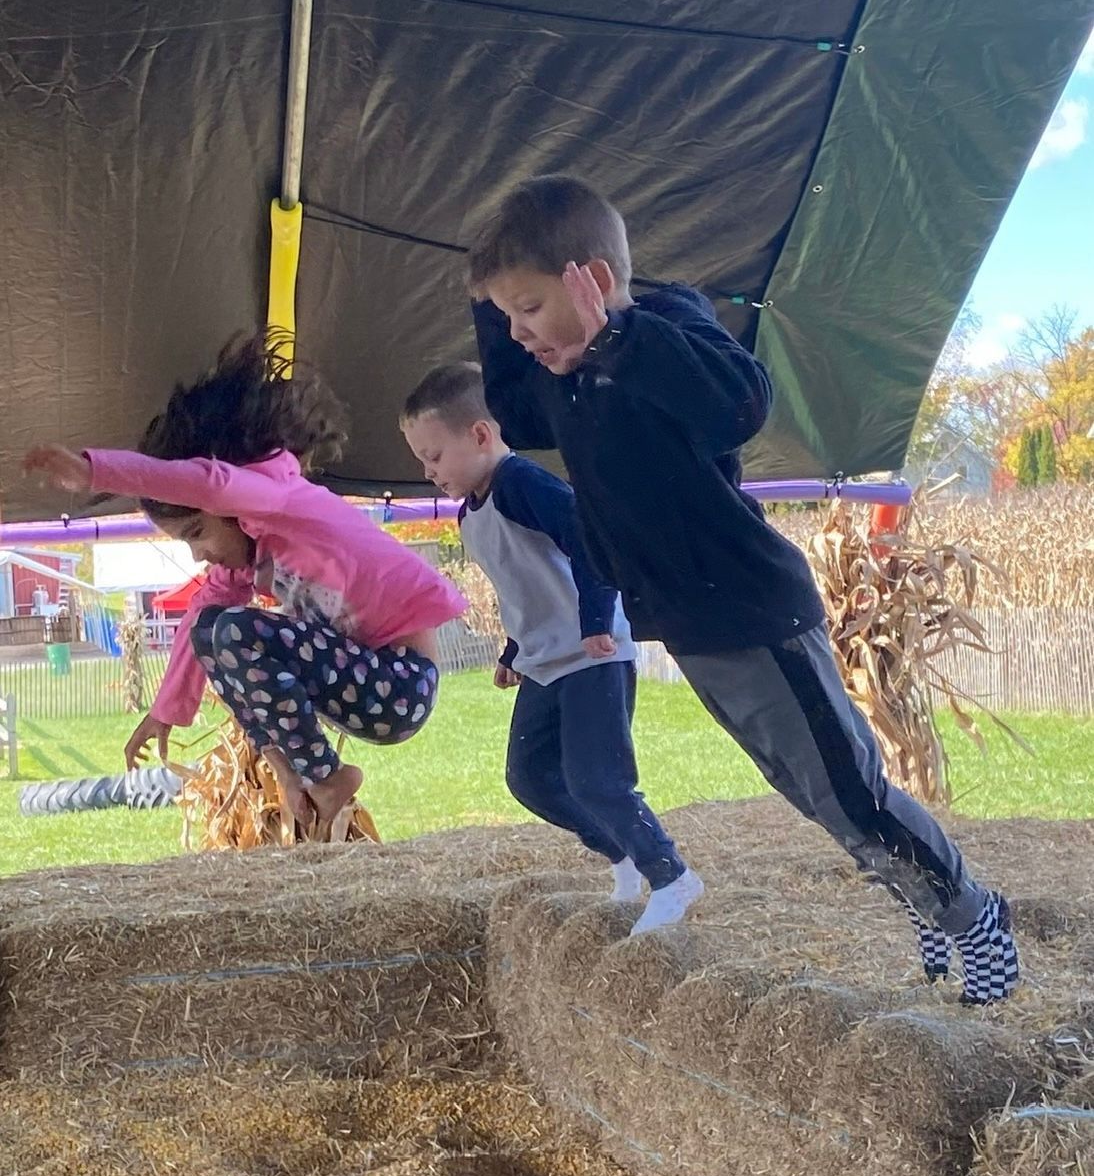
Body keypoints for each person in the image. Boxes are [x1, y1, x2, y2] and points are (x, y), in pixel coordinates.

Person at [467, 174, 1019, 1004]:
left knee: (851, 792)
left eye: (531, 309)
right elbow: (514, 410)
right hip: (696, 625)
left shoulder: (663, 333)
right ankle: (930, 905)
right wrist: (490, 289)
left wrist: (617, 335)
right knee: (813, 795)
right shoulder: (566, 381)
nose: (519, 334)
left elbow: (740, 403)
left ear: (598, 283)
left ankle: (975, 913)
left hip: (755, 609)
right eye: (506, 316)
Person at [25, 333, 466, 828]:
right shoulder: (247, 560)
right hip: (361, 681)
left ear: (225, 509)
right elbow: (199, 628)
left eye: (197, 533)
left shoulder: (276, 499)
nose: (198, 554)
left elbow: (209, 484)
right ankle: (292, 774)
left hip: (400, 684)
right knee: (214, 627)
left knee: (238, 631)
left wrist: (95, 472)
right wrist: (165, 711)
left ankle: (327, 777)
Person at [401, 360, 702, 934]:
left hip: (592, 652)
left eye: (434, 456)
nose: (428, 470)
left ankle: (671, 875)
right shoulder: (473, 514)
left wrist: (595, 619)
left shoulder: (521, 484)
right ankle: (621, 853)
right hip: (546, 661)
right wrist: (514, 650)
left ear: (481, 435)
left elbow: (591, 540)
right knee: (531, 778)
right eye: (421, 459)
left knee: (598, 778)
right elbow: (526, 585)